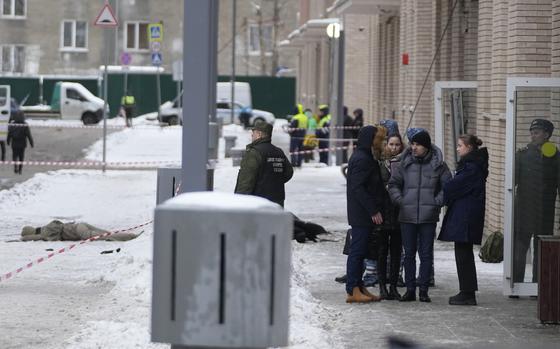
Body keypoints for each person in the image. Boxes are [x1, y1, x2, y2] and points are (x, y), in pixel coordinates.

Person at [388, 128, 451, 302]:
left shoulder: (439, 165)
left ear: (426, 146)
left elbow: (448, 187)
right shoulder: (404, 163)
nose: (414, 148)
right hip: (406, 216)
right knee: (408, 254)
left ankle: (423, 290)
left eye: (418, 145)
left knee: (426, 254)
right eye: (412, 144)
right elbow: (393, 185)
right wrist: (401, 201)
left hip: (428, 217)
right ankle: (410, 290)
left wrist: (436, 202)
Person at [439, 134, 488, 306]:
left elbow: (453, 186)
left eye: (460, 145)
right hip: (465, 214)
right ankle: (466, 291)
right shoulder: (471, 165)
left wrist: (444, 180)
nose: (458, 148)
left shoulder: (472, 168)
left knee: (463, 255)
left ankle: (468, 293)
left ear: (469, 147)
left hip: (466, 215)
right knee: (462, 253)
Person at [513, 119, 559, 284]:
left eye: (537, 132)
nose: (533, 135)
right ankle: (516, 284)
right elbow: (513, 183)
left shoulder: (554, 156)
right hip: (524, 208)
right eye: (532, 132)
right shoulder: (522, 154)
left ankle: (538, 285)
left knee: (541, 249)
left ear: (547, 134)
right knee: (520, 248)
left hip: (544, 210)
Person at [345, 125, 387, 303]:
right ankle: (352, 288)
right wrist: (373, 210)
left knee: (362, 251)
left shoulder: (366, 156)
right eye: (379, 139)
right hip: (362, 214)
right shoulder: (362, 159)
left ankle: (359, 286)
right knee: (357, 251)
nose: (381, 143)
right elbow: (358, 188)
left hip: (364, 213)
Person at [234, 120, 293, 207]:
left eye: (253, 133)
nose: (251, 135)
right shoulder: (278, 152)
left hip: (258, 201)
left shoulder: (254, 152)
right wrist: (274, 182)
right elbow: (289, 172)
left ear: (259, 134)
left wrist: (240, 200)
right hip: (277, 200)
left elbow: (246, 180)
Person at [376, 131, 405, 300]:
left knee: (396, 251)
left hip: (399, 212)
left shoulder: (406, 163)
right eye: (391, 144)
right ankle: (382, 286)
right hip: (383, 211)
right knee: (381, 251)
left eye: (397, 145)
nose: (394, 148)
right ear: (386, 145)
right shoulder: (380, 163)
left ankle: (393, 286)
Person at [20, 220, 140, 241]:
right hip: (80, 225)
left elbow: (33, 238)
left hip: (79, 232)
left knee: (105, 236)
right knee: (107, 233)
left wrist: (23, 238)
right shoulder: (49, 226)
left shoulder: (45, 233)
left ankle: (131, 236)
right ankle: (128, 235)